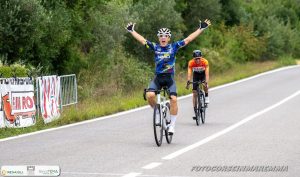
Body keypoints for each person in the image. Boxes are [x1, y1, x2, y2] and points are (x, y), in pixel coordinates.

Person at [125, 19, 211, 134]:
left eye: (166, 36)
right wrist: (132, 31)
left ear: (169, 38)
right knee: (150, 95)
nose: (163, 37)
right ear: (159, 38)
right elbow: (142, 40)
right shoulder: (155, 47)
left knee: (174, 100)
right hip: (158, 78)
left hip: (169, 78)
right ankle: (156, 111)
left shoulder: (174, 47)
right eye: (161, 36)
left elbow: (188, 39)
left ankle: (172, 125)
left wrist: (200, 29)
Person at [186, 49, 209, 120]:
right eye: (196, 59)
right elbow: (189, 72)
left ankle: (206, 97)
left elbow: (207, 73)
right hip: (196, 75)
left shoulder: (205, 61)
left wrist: (206, 82)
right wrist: (188, 81)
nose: (198, 60)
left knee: (205, 85)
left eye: (199, 58)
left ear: (201, 57)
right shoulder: (191, 63)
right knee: (194, 93)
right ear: (193, 59)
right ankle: (195, 111)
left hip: (203, 75)